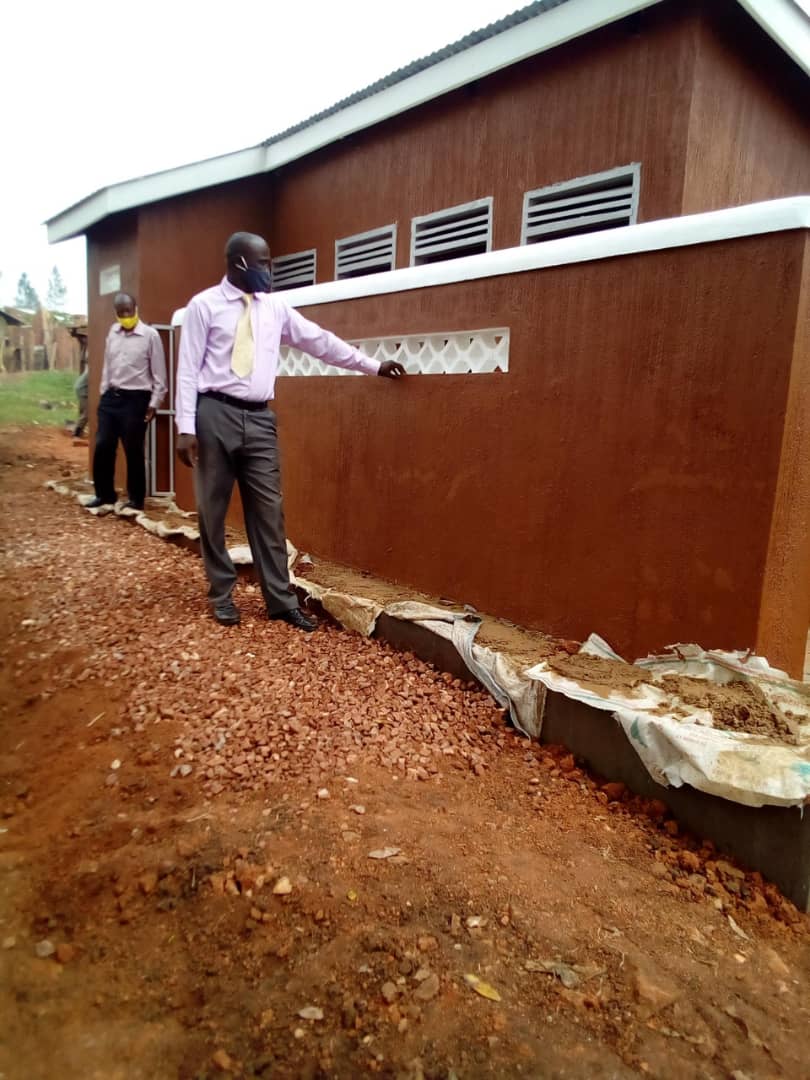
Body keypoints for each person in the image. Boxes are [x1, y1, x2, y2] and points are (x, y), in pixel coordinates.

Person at [176, 231, 405, 629]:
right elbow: (187, 369)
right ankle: (221, 593)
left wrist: (371, 365)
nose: (268, 270)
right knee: (212, 510)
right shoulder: (203, 307)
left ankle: (280, 600)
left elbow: (319, 341)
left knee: (269, 511)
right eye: (261, 263)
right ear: (237, 263)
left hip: (260, 417)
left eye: (269, 262)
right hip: (215, 413)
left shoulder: (275, 308)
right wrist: (184, 425)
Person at [86, 293, 167, 510]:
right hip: (111, 397)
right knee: (103, 445)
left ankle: (136, 499)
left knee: (133, 449)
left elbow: (160, 374)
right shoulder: (113, 333)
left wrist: (154, 404)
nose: (125, 316)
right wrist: (104, 393)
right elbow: (107, 366)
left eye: (128, 311)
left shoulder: (150, 336)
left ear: (136, 309)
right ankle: (105, 495)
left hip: (136, 399)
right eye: (120, 312)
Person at [73, 358, 89, 438]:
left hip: (82, 388)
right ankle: (77, 432)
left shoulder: (93, 367)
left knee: (87, 411)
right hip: (82, 390)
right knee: (88, 412)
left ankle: (79, 431)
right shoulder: (94, 368)